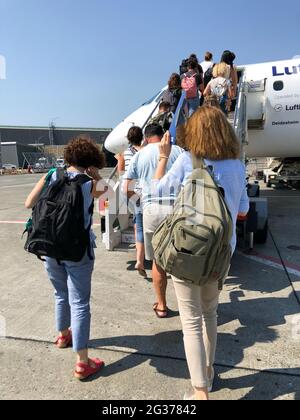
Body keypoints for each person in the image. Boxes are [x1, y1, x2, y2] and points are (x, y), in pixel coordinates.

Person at [153, 106, 249, 400]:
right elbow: (243, 210)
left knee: (190, 321)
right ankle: (208, 374)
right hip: (221, 252)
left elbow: (158, 193)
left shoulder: (186, 160)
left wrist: (162, 157)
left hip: (187, 250)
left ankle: (200, 392)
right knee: (210, 314)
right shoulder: (237, 165)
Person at [25, 136, 107, 381]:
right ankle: (82, 362)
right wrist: (98, 178)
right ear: (91, 160)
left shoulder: (53, 175)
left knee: (60, 294)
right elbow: (114, 202)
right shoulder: (88, 183)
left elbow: (29, 202)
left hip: (49, 246)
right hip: (78, 250)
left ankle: (63, 335)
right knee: (80, 302)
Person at [123, 124, 183, 318]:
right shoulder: (179, 151)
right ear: (163, 136)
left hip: (151, 211)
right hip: (177, 209)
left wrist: (139, 202)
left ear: (146, 138)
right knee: (181, 259)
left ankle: (162, 305)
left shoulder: (140, 155)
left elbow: (126, 188)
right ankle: (188, 306)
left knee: (158, 261)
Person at [118, 126, 146, 277]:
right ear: (141, 137)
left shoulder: (125, 153)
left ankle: (139, 256)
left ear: (128, 139)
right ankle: (141, 257)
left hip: (128, 191)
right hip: (141, 191)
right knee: (140, 222)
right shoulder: (145, 151)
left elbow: (121, 172)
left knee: (137, 221)